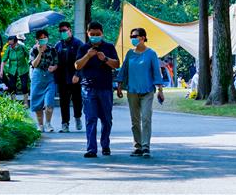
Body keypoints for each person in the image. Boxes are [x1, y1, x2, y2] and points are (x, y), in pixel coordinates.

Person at [116, 27, 164, 158]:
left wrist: (160, 90)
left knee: (146, 118)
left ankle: (146, 146)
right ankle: (137, 146)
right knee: (135, 120)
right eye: (131, 36)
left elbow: (156, 72)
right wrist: (119, 85)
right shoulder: (130, 53)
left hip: (147, 90)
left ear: (143, 37)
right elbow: (123, 70)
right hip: (132, 90)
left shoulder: (151, 54)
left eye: (135, 36)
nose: (133, 38)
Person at [74, 21, 120, 158]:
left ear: (102, 33)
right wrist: (88, 55)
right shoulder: (83, 48)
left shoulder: (109, 47)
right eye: (92, 34)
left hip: (105, 88)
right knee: (91, 118)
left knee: (106, 119)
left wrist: (104, 58)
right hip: (88, 88)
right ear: (88, 34)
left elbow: (116, 64)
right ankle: (91, 149)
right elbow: (77, 66)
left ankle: (105, 145)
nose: (94, 36)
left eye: (97, 34)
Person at [54, 21, 84, 133]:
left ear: (70, 30)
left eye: (64, 30)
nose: (63, 33)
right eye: (61, 31)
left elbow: (82, 61)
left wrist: (77, 74)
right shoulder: (58, 45)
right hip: (62, 78)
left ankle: (77, 117)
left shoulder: (78, 44)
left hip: (75, 78)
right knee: (64, 102)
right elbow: (55, 61)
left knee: (77, 100)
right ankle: (64, 123)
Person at [29, 29, 59, 132]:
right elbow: (34, 64)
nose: (43, 40)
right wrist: (40, 53)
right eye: (40, 38)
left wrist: (54, 68)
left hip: (49, 77)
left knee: (49, 103)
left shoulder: (53, 49)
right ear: (36, 40)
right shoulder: (33, 50)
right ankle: (40, 125)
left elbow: (56, 63)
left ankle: (48, 124)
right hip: (37, 77)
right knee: (37, 103)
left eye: (44, 37)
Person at [0, 35, 29, 106]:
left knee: (24, 85)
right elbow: (3, 60)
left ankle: (25, 102)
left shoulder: (22, 47)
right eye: (9, 44)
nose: (10, 46)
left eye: (12, 44)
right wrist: (1, 71)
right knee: (12, 86)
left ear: (16, 43)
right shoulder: (9, 49)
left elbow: (28, 56)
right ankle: (13, 102)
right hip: (12, 70)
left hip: (23, 68)